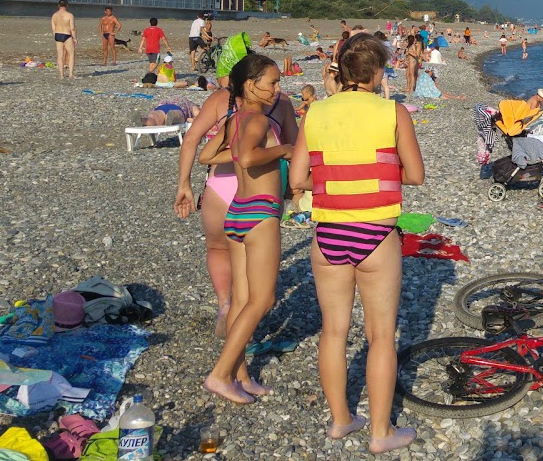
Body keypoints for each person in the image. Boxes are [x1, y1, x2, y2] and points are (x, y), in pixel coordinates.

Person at [295, 34, 424, 453]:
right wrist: (376, 174)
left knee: (333, 332)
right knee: (381, 336)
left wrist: (339, 175)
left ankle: (340, 421)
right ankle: (381, 433)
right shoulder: (392, 111)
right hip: (375, 234)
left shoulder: (315, 112)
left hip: (328, 234)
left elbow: (298, 179)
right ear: (375, 72)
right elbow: (415, 173)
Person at [174, 34, 298, 338]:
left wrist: (184, 184)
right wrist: (294, 187)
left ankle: (226, 305)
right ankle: (241, 337)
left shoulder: (221, 101)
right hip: (260, 190)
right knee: (256, 276)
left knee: (218, 247)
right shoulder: (279, 103)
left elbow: (192, 140)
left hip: (220, 188)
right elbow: (293, 145)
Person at [201, 53, 291, 405]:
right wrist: (284, 148)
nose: (278, 89)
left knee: (241, 299)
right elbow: (252, 157)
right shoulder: (257, 120)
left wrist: (237, 155)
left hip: (237, 211)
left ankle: (240, 376)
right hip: (260, 211)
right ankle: (220, 375)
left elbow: (208, 155)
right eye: (273, 82)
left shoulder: (233, 119)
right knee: (263, 298)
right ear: (251, 85)